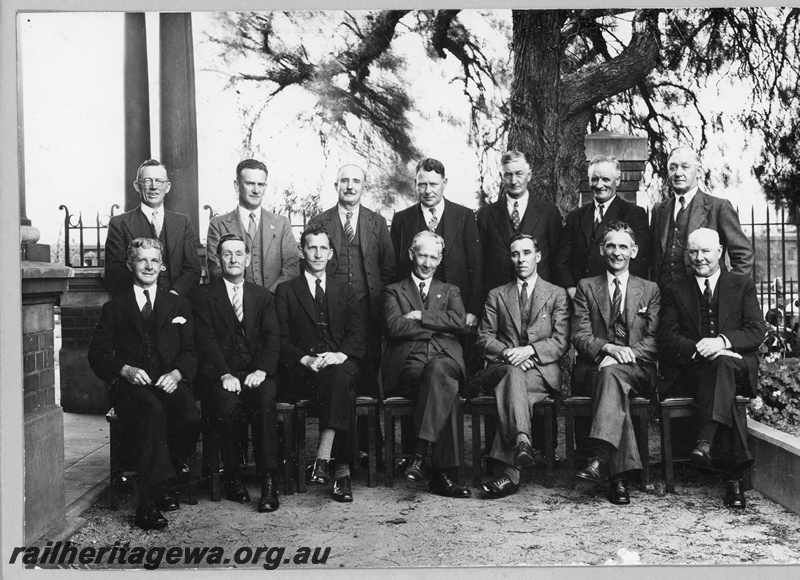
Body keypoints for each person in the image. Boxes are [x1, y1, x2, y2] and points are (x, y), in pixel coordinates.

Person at [88, 238, 200, 530]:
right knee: (151, 410)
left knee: (189, 414)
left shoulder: (178, 304)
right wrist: (124, 369)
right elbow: (97, 355)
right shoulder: (115, 308)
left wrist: (177, 374)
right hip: (131, 388)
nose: (149, 266)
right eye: (142, 260)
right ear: (130, 265)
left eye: (154, 261)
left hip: (169, 381)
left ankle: (168, 477)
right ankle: (148, 502)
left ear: (162, 266)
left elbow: (191, 351)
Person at [659, 227, 766, 509]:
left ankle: (705, 441)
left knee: (723, 363)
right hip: (692, 371)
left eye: (706, 251)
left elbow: (756, 331)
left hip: (737, 368)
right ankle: (734, 479)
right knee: (721, 374)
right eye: (693, 251)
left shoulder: (742, 284)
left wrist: (721, 341)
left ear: (719, 252)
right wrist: (699, 349)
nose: (699, 258)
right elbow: (667, 337)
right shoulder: (674, 288)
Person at [571, 222, 661, 505]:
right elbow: (579, 335)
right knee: (610, 378)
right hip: (595, 369)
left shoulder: (650, 289)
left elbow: (655, 339)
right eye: (611, 246)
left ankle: (599, 457)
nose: (616, 252)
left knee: (612, 375)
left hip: (638, 370)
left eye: (623, 247)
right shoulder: (587, 287)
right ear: (602, 249)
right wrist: (607, 348)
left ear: (633, 251)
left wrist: (626, 353)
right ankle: (618, 479)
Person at [475, 233, 570, 498]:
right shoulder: (497, 295)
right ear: (511, 258)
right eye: (515, 254)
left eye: (527, 253)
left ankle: (510, 470)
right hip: (503, 368)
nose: (521, 259)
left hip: (541, 371)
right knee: (514, 377)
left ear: (537, 257)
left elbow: (561, 340)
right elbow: (484, 337)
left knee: (516, 389)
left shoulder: (556, 294)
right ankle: (522, 444)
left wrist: (530, 350)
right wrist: (509, 353)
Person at [274, 224, 364, 503]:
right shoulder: (286, 291)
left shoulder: (345, 290)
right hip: (306, 371)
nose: (317, 253)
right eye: (311, 247)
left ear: (331, 252)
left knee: (339, 375)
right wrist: (305, 358)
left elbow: (358, 334)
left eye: (323, 247)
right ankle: (342, 473)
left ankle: (324, 457)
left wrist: (340, 354)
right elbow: (279, 339)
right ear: (302, 252)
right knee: (343, 390)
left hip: (341, 363)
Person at [192, 234, 281, 512]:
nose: (233, 259)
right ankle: (233, 477)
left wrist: (262, 369)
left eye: (239, 254)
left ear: (248, 259)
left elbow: (272, 337)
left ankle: (268, 481)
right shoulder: (204, 295)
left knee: (265, 400)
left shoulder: (262, 295)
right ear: (218, 259)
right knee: (226, 405)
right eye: (227, 254)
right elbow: (204, 339)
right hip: (223, 374)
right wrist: (223, 374)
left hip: (256, 372)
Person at [382, 230, 471, 498]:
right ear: (412, 254)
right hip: (410, 364)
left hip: (446, 359)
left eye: (434, 257)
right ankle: (444, 476)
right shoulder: (393, 291)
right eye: (422, 255)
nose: (427, 263)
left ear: (441, 258)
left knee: (440, 371)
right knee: (445, 387)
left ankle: (418, 454)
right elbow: (394, 326)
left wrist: (420, 315)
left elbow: (460, 321)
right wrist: (438, 325)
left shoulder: (450, 290)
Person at [308, 164, 395, 401]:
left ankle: (369, 433)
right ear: (336, 186)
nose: (350, 186)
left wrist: (378, 301)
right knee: (339, 367)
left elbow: (387, 267)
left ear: (364, 187)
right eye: (344, 181)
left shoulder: (377, 222)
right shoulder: (319, 220)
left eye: (356, 181)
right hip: (331, 306)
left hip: (368, 306)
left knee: (369, 365)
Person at [390, 157, 483, 329]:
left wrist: (472, 310)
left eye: (433, 184)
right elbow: (393, 269)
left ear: (444, 183)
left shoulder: (464, 216)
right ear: (415, 183)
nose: (427, 191)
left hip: (455, 310)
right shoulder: (402, 219)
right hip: (412, 310)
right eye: (422, 184)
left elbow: (475, 266)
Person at [650, 147, 753, 288]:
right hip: (664, 299)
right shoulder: (659, 210)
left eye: (685, 167)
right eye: (672, 168)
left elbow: (743, 256)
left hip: (702, 298)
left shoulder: (718, 207)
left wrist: (730, 292)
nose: (678, 173)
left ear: (698, 172)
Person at [556, 155, 650, 299]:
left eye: (606, 179)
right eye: (595, 179)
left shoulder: (634, 214)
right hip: (579, 299)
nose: (599, 185)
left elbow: (638, 262)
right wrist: (571, 289)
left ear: (617, 180)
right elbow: (562, 260)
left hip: (614, 297)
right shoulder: (576, 217)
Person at [104, 159, 201, 298]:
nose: (154, 187)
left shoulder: (183, 223)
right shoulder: (119, 224)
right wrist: (145, 298)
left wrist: (173, 297)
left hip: (177, 302)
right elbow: (115, 272)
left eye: (159, 181)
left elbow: (192, 269)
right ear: (137, 186)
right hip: (137, 305)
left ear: (167, 187)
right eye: (147, 181)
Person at [206, 159, 300, 292]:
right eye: (250, 183)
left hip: (275, 303)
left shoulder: (281, 224)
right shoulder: (218, 224)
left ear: (265, 187)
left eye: (260, 184)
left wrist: (267, 297)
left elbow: (292, 268)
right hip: (235, 303)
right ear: (237, 186)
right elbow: (215, 269)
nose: (256, 190)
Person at [477, 150, 562, 293]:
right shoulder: (486, 215)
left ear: (529, 175)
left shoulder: (548, 212)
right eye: (508, 175)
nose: (514, 180)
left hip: (539, 296)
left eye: (519, 174)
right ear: (502, 177)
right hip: (499, 298)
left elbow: (557, 260)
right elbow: (480, 263)